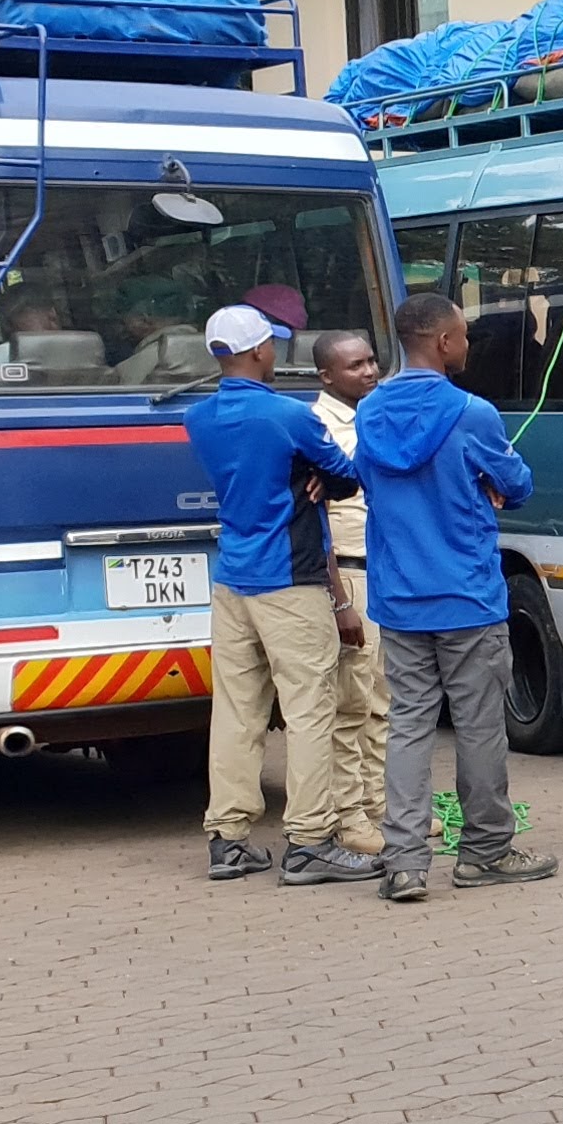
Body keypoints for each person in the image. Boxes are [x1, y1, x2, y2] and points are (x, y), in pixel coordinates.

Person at [355, 292, 558, 903]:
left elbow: (369, 480)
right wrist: (491, 484)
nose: (468, 344)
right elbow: (515, 483)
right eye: (463, 335)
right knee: (478, 729)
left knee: (408, 728)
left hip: (399, 594)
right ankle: (485, 852)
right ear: (442, 343)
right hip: (467, 595)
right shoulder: (472, 412)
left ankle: (406, 863)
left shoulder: (369, 410)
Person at [181, 304, 368, 887]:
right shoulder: (291, 415)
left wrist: (311, 473)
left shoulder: (198, 417)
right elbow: (345, 475)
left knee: (237, 711)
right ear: (261, 351)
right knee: (312, 707)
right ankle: (310, 841)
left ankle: (228, 837)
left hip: (232, 578)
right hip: (290, 578)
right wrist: (314, 476)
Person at [309, 330, 390, 880]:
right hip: (350, 574)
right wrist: (339, 599)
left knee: (383, 697)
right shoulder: (316, 429)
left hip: (386, 569)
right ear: (326, 377)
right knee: (350, 703)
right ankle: (350, 813)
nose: (369, 371)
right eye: (355, 365)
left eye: (371, 360)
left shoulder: (379, 413)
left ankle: (381, 802)